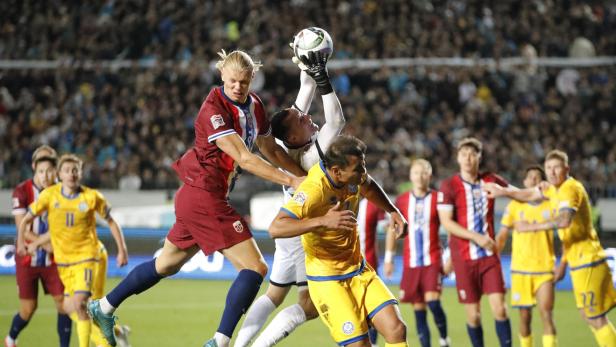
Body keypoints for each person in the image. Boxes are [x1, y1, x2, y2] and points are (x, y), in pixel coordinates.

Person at [87, 49, 305, 347]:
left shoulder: (254, 105)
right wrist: (293, 180)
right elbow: (244, 157)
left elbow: (272, 151)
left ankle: (104, 307)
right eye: (232, 81)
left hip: (197, 196)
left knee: (166, 265)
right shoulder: (213, 109)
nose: (237, 87)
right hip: (204, 196)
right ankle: (220, 341)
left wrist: (306, 178)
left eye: (243, 81)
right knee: (256, 268)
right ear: (221, 76)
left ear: (252, 78)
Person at [236, 49, 345, 347]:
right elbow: (336, 122)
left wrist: (305, 61)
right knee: (307, 305)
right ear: (293, 137)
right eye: (302, 119)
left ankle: (234, 345)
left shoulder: (292, 137)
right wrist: (323, 77)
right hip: (300, 230)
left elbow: (305, 89)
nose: (307, 116)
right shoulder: (310, 155)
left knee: (274, 294)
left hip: (292, 224)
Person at [269, 135, 409, 347]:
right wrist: (322, 221)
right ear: (337, 171)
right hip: (328, 279)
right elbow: (276, 228)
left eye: (363, 166)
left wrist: (392, 211)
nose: (363, 173)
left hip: (358, 269)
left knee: (396, 329)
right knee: (359, 344)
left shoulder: (353, 177)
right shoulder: (313, 190)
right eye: (358, 169)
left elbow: (369, 187)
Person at [485, 150, 616, 346]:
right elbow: (529, 193)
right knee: (590, 316)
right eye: (549, 168)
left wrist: (532, 226)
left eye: (556, 168)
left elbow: (564, 220)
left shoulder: (570, 189)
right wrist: (503, 191)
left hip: (587, 260)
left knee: (595, 317)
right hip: (579, 261)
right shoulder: (554, 190)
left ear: (567, 169)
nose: (552, 172)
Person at [18, 154, 129, 347]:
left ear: (81, 172)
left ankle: (104, 344)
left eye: (75, 170)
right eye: (67, 170)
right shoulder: (49, 196)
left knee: (81, 304)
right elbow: (28, 221)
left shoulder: (91, 196)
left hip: (88, 258)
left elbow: (111, 221)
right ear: (60, 174)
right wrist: (23, 242)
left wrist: (122, 250)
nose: (71, 174)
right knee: (70, 309)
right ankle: (117, 333)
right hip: (64, 263)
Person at [436, 137, 512, 347]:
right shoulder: (449, 185)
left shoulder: (490, 179)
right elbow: (446, 223)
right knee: (474, 316)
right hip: (463, 258)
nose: (468, 158)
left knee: (500, 309)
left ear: (479, 157)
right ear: (458, 158)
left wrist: (535, 190)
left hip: (489, 257)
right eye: (464, 154)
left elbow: (512, 191)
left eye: (472, 154)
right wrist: (477, 237)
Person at [7, 147, 72, 347]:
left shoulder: (64, 190)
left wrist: (52, 244)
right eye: (42, 170)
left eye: (51, 170)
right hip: (28, 257)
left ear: (56, 169)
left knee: (64, 304)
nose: (46, 175)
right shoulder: (21, 191)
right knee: (28, 308)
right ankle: (10, 339)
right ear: (34, 167)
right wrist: (44, 243)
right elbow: (22, 227)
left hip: (54, 258)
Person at [385, 159, 450, 347]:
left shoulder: (439, 198)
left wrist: (450, 257)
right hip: (411, 262)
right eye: (416, 173)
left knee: (433, 303)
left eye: (424, 172)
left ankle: (444, 339)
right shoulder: (402, 200)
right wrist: (389, 258)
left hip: (433, 259)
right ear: (410, 176)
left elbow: (451, 226)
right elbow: (393, 229)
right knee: (419, 309)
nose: (420, 176)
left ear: (430, 175)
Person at [495, 165, 558, 347]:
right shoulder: (514, 206)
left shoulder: (551, 204)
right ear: (524, 182)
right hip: (520, 269)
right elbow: (502, 236)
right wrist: (493, 254)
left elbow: (564, 223)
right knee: (524, 317)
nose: (533, 180)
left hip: (544, 268)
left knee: (546, 314)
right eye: (530, 177)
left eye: (538, 177)